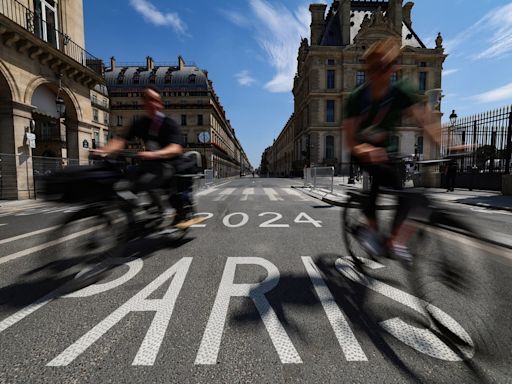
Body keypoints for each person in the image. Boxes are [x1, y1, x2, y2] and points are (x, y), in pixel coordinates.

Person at [343, 38, 440, 262]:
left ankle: (393, 240)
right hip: (362, 150)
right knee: (376, 185)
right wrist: (365, 150)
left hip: (387, 151)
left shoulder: (400, 91)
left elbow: (425, 120)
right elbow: (349, 140)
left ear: (393, 68)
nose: (382, 73)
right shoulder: (357, 99)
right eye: (376, 68)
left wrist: (449, 142)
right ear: (368, 72)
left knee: (406, 195)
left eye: (387, 67)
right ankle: (371, 231)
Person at [93, 86, 194, 225]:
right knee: (120, 184)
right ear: (143, 103)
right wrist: (103, 151)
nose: (150, 103)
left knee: (141, 183)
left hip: (167, 166)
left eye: (154, 100)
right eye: (147, 99)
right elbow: (120, 140)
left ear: (160, 103)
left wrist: (155, 154)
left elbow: (176, 148)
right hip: (148, 165)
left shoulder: (168, 124)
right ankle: (133, 218)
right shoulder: (140, 123)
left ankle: (164, 210)